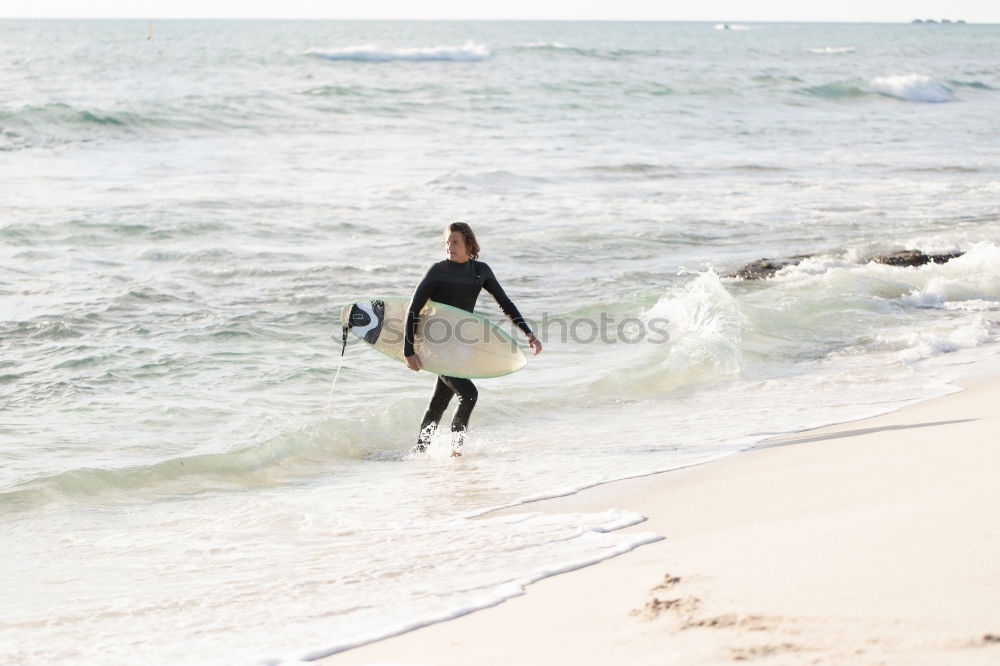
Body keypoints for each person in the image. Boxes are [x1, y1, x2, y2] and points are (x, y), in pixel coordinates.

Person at [404, 222, 541, 455]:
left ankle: (419, 453)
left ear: (469, 244)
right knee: (468, 395)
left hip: (459, 346)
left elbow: (504, 303)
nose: (450, 247)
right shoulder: (437, 271)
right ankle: (455, 451)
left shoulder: (480, 271)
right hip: (436, 345)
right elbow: (412, 310)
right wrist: (409, 350)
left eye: (455, 242)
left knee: (439, 403)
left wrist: (527, 332)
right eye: (447, 242)